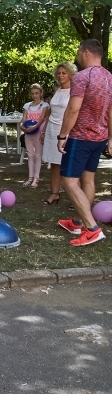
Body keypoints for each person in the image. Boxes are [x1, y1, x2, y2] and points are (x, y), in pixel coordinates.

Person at [56, 39, 112, 246]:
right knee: (88, 180)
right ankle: (77, 222)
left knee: (69, 181)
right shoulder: (110, 77)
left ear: (86, 53)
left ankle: (92, 228)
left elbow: (73, 109)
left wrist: (63, 135)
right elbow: (111, 111)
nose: (78, 56)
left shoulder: (82, 77)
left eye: (79, 52)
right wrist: (111, 137)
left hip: (81, 137)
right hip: (99, 138)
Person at [40, 62, 77, 205]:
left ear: (70, 74)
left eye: (64, 73)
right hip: (52, 130)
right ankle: (54, 193)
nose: (60, 75)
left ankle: (75, 199)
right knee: (54, 164)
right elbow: (50, 113)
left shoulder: (75, 91)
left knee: (70, 165)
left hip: (66, 130)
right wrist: (44, 130)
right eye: (59, 73)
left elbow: (75, 113)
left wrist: (69, 132)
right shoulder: (58, 91)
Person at [21, 83, 49, 188]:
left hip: (38, 132)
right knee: (30, 154)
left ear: (41, 93)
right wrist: (21, 125)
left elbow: (42, 119)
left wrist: (35, 127)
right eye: (32, 93)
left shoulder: (44, 105)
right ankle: (30, 177)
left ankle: (36, 178)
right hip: (28, 132)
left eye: (36, 93)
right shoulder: (27, 105)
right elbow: (24, 118)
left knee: (38, 155)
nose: (34, 95)